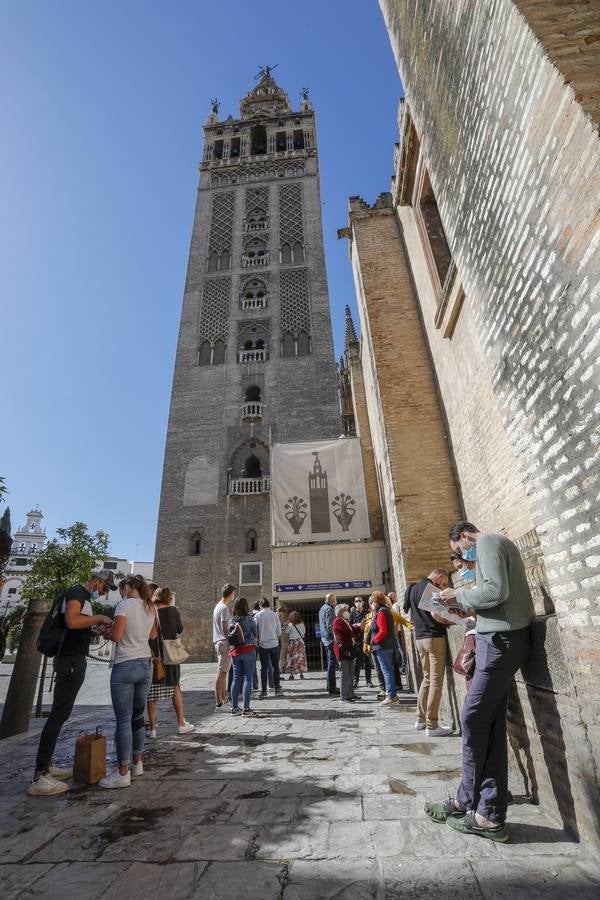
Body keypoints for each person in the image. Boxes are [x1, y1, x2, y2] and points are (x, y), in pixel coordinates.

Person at [426, 521, 535, 842]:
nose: (462, 558)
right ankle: (482, 806)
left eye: (458, 552)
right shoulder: (492, 545)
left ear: (463, 536)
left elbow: (494, 591)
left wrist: (456, 593)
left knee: (473, 717)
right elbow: (493, 595)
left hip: (502, 639)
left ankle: (480, 807)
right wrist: (457, 605)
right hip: (497, 636)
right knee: (487, 722)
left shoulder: (487, 542)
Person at [27, 570, 117, 796]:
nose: (104, 594)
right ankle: (40, 775)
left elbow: (77, 627)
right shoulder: (77, 593)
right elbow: (72, 620)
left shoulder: (81, 596)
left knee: (61, 714)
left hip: (72, 658)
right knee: (59, 714)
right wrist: (100, 618)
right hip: (69, 661)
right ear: (97, 582)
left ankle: (47, 766)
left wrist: (94, 630)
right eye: (105, 588)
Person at [100, 574, 157, 789]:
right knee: (137, 716)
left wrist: (108, 632)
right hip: (145, 665)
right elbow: (152, 635)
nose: (122, 591)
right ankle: (137, 762)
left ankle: (123, 772)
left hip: (125, 665)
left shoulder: (123, 605)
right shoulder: (150, 606)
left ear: (129, 588)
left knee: (123, 719)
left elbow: (116, 636)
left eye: (123, 587)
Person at [403, 568, 454, 737]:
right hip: (434, 638)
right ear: (439, 578)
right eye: (444, 582)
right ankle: (432, 724)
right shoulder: (432, 590)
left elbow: (409, 616)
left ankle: (420, 719)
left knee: (426, 678)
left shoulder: (412, 589)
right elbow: (439, 614)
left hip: (419, 639)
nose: (443, 586)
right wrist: (453, 621)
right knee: (436, 681)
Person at [147, 586, 194, 738]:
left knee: (152, 693)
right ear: (169, 598)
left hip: (154, 656)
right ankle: (181, 724)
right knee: (175, 688)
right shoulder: (173, 611)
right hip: (171, 655)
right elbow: (179, 629)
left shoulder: (150, 610)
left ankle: (153, 729)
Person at [229, 596, 259, 717]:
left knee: (236, 679)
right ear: (246, 606)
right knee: (248, 678)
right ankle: (246, 709)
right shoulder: (249, 619)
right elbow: (255, 634)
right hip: (248, 650)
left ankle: (234, 707)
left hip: (235, 652)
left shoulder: (232, 620)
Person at [369, 592, 399, 706]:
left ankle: (391, 696)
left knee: (387, 671)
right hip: (386, 646)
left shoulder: (381, 612)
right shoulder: (385, 610)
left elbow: (383, 631)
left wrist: (374, 640)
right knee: (388, 670)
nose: (371, 603)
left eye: (372, 601)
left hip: (383, 646)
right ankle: (392, 695)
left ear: (376, 601)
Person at [213, 583, 235, 711]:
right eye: (233, 593)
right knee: (222, 674)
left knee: (222, 673)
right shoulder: (224, 608)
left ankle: (224, 700)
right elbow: (225, 627)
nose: (234, 596)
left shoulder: (218, 606)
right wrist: (231, 639)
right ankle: (219, 703)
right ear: (231, 593)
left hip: (218, 642)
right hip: (224, 642)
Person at [255, 598, 283, 698]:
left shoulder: (258, 615)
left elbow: (254, 629)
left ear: (261, 605)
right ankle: (277, 689)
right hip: (274, 644)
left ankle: (264, 691)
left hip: (263, 645)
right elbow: (279, 631)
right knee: (276, 667)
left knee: (264, 668)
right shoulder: (274, 615)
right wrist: (275, 637)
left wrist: (257, 638)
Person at [332, 603, 360, 702]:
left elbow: (351, 629)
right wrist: (354, 628)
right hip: (343, 651)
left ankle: (351, 693)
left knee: (351, 673)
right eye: (345, 610)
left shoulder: (345, 620)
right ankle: (344, 696)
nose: (347, 612)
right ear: (340, 612)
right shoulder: (338, 621)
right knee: (345, 674)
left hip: (349, 650)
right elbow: (349, 632)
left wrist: (358, 627)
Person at [349, 598, 373, 688]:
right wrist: (357, 625)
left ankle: (368, 680)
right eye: (356, 601)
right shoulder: (352, 613)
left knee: (367, 660)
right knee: (357, 661)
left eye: (360, 601)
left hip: (367, 639)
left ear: (363, 602)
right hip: (358, 640)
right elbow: (349, 625)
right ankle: (356, 681)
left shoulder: (367, 612)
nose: (358, 603)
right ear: (354, 603)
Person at [319, 593, 339, 696]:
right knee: (332, 663)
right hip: (330, 640)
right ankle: (332, 688)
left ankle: (329, 686)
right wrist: (336, 637)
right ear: (332, 600)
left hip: (324, 639)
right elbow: (330, 626)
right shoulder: (329, 609)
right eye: (335, 600)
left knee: (330, 663)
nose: (336, 601)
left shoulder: (322, 608)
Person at [285, 610, 307, 679]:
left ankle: (292, 674)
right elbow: (304, 633)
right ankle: (301, 673)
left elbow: (286, 632)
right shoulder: (302, 624)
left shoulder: (290, 625)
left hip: (293, 643)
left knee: (292, 658)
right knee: (300, 658)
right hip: (300, 642)